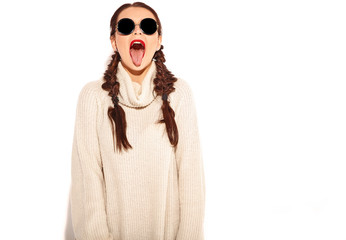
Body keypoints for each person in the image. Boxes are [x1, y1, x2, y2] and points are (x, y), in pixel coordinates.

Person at [70, 2, 206, 240]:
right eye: (125, 27)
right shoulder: (93, 98)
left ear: (159, 39)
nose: (137, 32)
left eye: (147, 26)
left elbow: (191, 179)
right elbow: (87, 181)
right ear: (113, 41)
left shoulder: (179, 95)